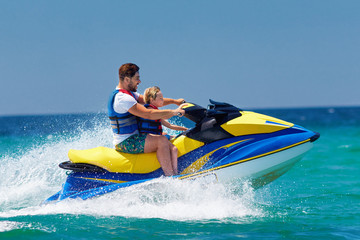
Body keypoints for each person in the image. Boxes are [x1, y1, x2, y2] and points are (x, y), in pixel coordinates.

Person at [108, 63, 185, 176]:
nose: (139, 81)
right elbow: (148, 114)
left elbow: (151, 101)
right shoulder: (122, 98)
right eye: (137, 78)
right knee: (161, 140)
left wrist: (175, 101)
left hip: (135, 136)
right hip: (126, 142)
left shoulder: (130, 94)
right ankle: (171, 177)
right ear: (127, 79)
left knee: (164, 135)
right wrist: (174, 112)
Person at [138, 86, 189, 175]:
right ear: (152, 100)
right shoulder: (150, 110)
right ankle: (174, 173)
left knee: (173, 144)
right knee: (173, 148)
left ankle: (175, 172)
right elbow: (166, 116)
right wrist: (177, 111)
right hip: (150, 139)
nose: (163, 100)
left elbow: (170, 125)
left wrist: (186, 129)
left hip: (157, 137)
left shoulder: (156, 112)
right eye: (160, 98)